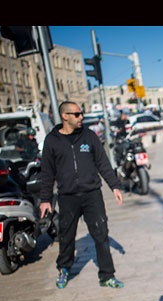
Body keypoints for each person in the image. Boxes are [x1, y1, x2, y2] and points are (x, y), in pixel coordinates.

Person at [39, 101, 125, 289]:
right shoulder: (52, 141)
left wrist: (115, 187)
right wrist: (45, 199)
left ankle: (107, 276)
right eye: (77, 114)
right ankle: (64, 269)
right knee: (66, 235)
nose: (81, 117)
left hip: (92, 194)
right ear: (65, 116)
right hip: (67, 196)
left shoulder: (89, 136)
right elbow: (47, 173)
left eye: (81, 113)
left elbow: (103, 163)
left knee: (101, 234)